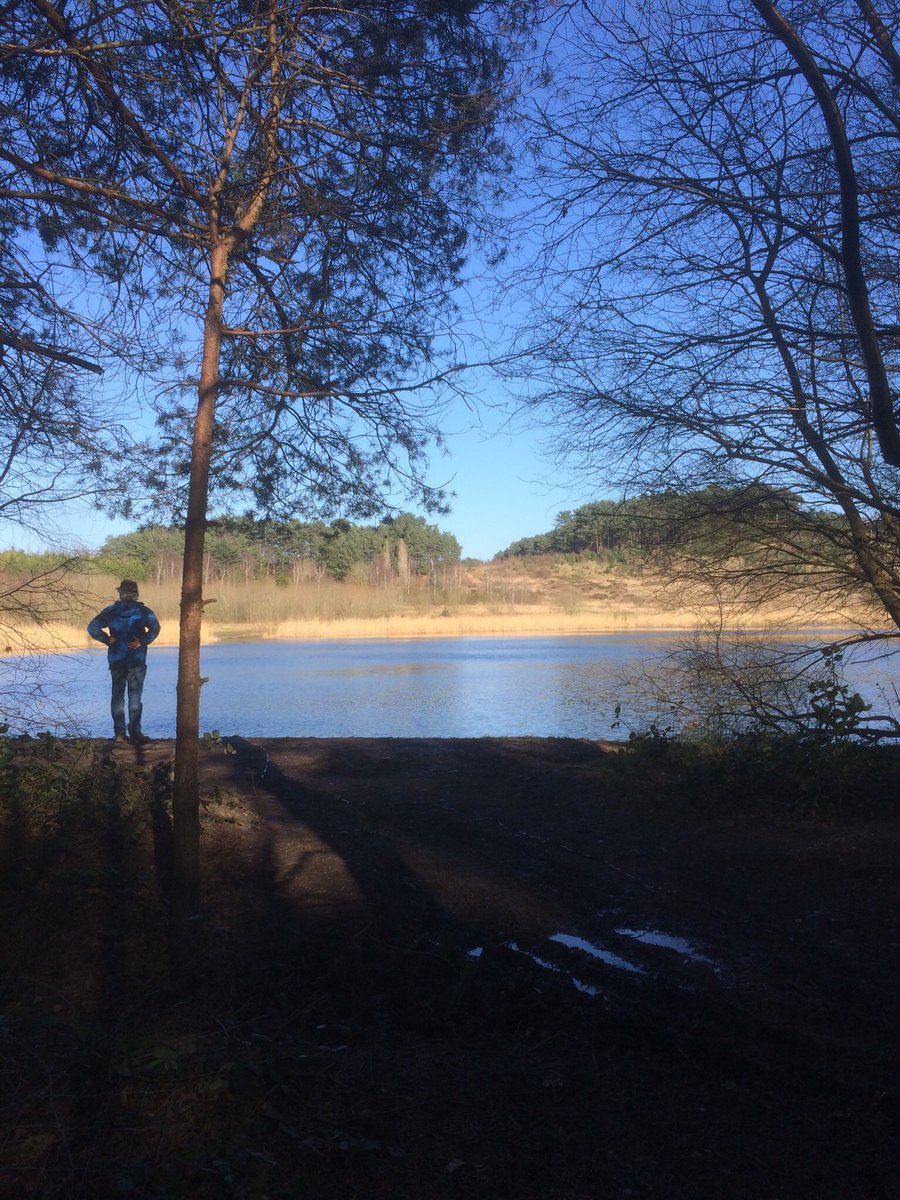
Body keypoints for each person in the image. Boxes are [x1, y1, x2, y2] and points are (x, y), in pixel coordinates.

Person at [87, 579, 161, 744]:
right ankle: (135, 733)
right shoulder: (144, 611)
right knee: (135, 698)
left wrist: (107, 639)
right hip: (137, 661)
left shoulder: (110, 611)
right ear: (135, 594)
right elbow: (156, 629)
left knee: (117, 698)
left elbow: (92, 627)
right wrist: (141, 641)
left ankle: (120, 735)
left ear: (121, 593)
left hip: (117, 661)